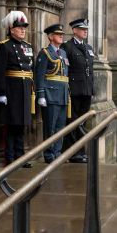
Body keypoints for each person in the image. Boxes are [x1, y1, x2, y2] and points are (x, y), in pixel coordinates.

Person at [0, 11, 34, 168]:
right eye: (19, 27)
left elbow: (31, 69)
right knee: (11, 125)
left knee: (21, 125)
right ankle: (9, 158)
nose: (23, 30)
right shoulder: (5, 47)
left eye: (24, 27)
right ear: (11, 29)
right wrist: (1, 92)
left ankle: (20, 156)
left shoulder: (27, 47)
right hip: (11, 90)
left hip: (24, 89)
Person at [60, 18, 94, 163]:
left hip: (86, 90)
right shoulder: (67, 47)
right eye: (82, 29)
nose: (85, 31)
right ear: (74, 30)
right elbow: (64, 69)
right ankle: (72, 153)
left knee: (82, 123)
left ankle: (81, 151)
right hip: (74, 90)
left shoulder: (89, 48)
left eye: (86, 29)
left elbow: (90, 70)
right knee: (72, 122)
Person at [35, 24, 70, 163]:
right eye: (57, 34)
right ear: (50, 37)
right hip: (50, 95)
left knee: (60, 127)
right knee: (50, 127)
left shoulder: (63, 53)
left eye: (61, 34)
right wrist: (41, 94)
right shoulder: (45, 53)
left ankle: (57, 152)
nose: (61, 36)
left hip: (62, 95)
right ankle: (49, 154)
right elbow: (40, 75)